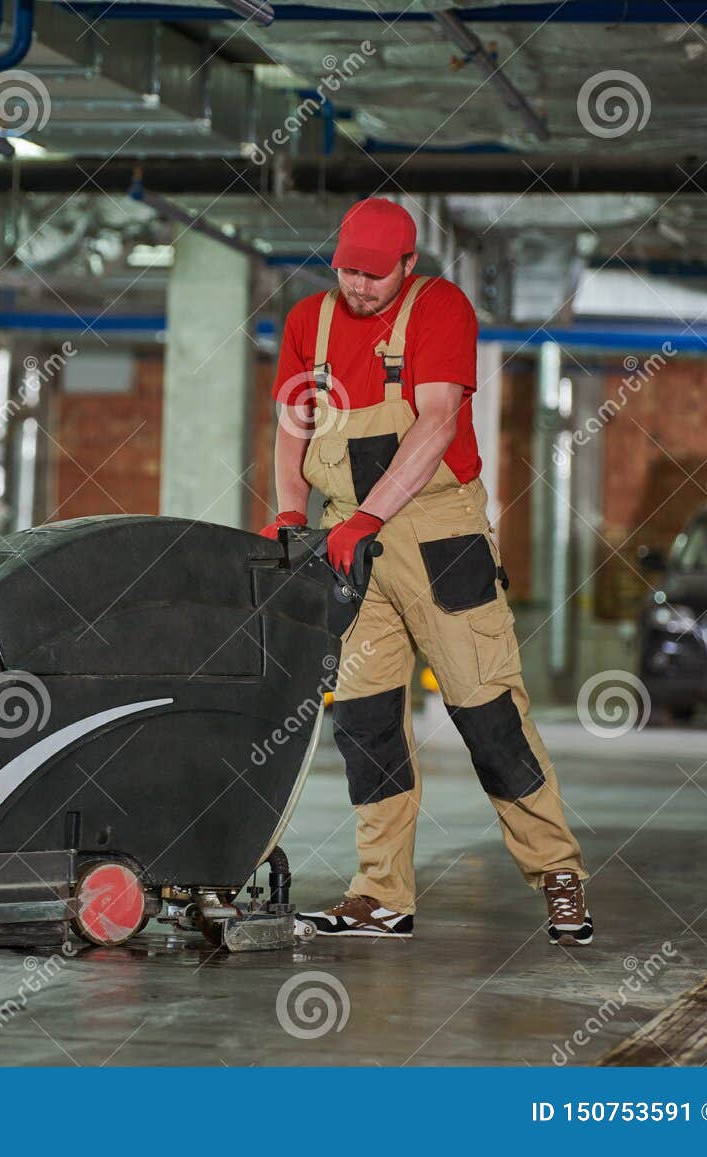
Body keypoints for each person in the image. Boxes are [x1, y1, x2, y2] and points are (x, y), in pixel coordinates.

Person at [260, 197, 593, 946]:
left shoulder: (439, 309)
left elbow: (437, 423)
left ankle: (558, 873)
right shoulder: (309, 321)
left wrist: (369, 517)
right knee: (365, 721)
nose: (361, 287)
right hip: (350, 541)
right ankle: (381, 893)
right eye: (349, 271)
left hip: (437, 534)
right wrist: (289, 511)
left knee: (488, 714)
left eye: (377, 276)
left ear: (410, 265)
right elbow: (294, 420)